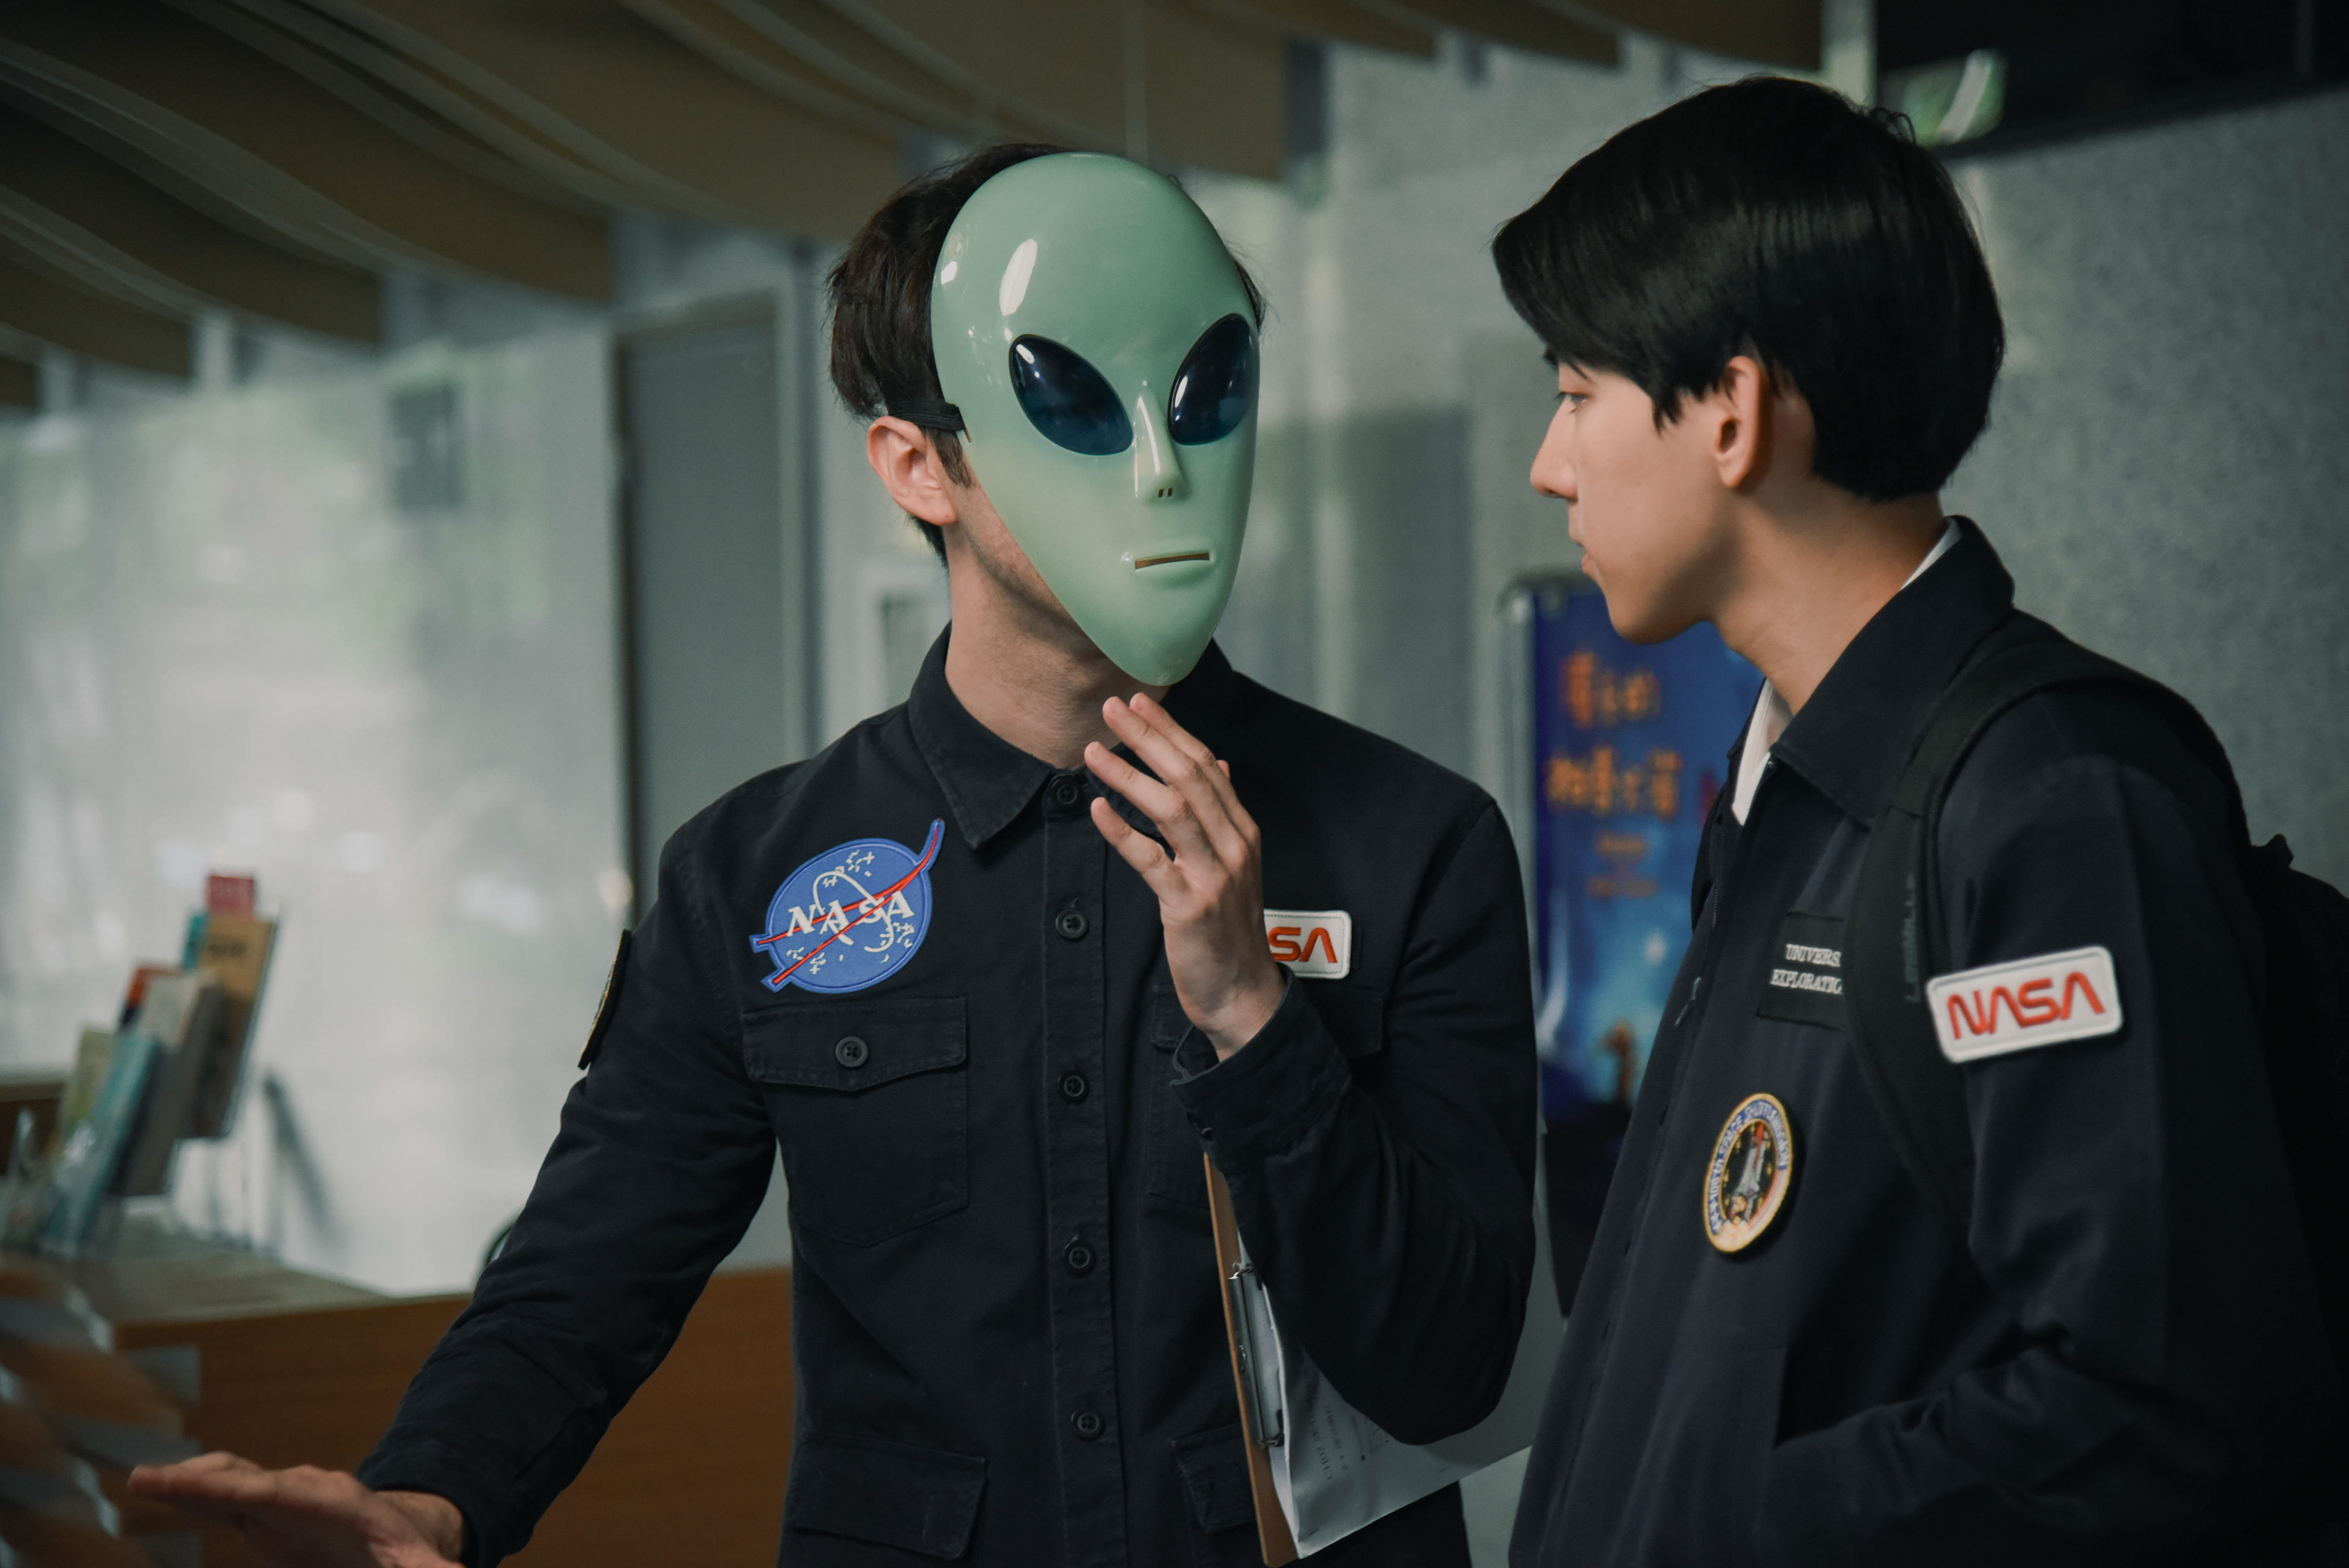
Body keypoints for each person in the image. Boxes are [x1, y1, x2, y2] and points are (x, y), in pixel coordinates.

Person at [132, 146, 1538, 1567]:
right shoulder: (750, 877)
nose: (1159, 470)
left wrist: (1254, 1018)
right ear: (918, 464)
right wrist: (427, 1492)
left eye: (1203, 393)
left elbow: (1454, 1365)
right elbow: (585, 1275)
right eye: (1071, 403)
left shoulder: (1416, 846)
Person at [1493, 78, 2340, 1565]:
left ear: (1733, 413)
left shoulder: (2049, 803)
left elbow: (2162, 1404)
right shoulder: (1791, 783)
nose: (1547, 463)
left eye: (1575, 394)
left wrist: (1731, 1526)